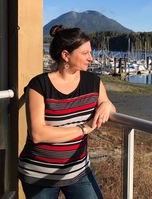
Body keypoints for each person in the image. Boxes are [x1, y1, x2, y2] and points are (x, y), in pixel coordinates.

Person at [18, 25, 116, 199]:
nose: (91, 58)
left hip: (77, 170)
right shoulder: (39, 85)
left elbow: (107, 105)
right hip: (39, 175)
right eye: (85, 53)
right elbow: (38, 134)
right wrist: (83, 129)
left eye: (90, 52)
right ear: (66, 55)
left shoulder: (93, 82)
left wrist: (107, 104)